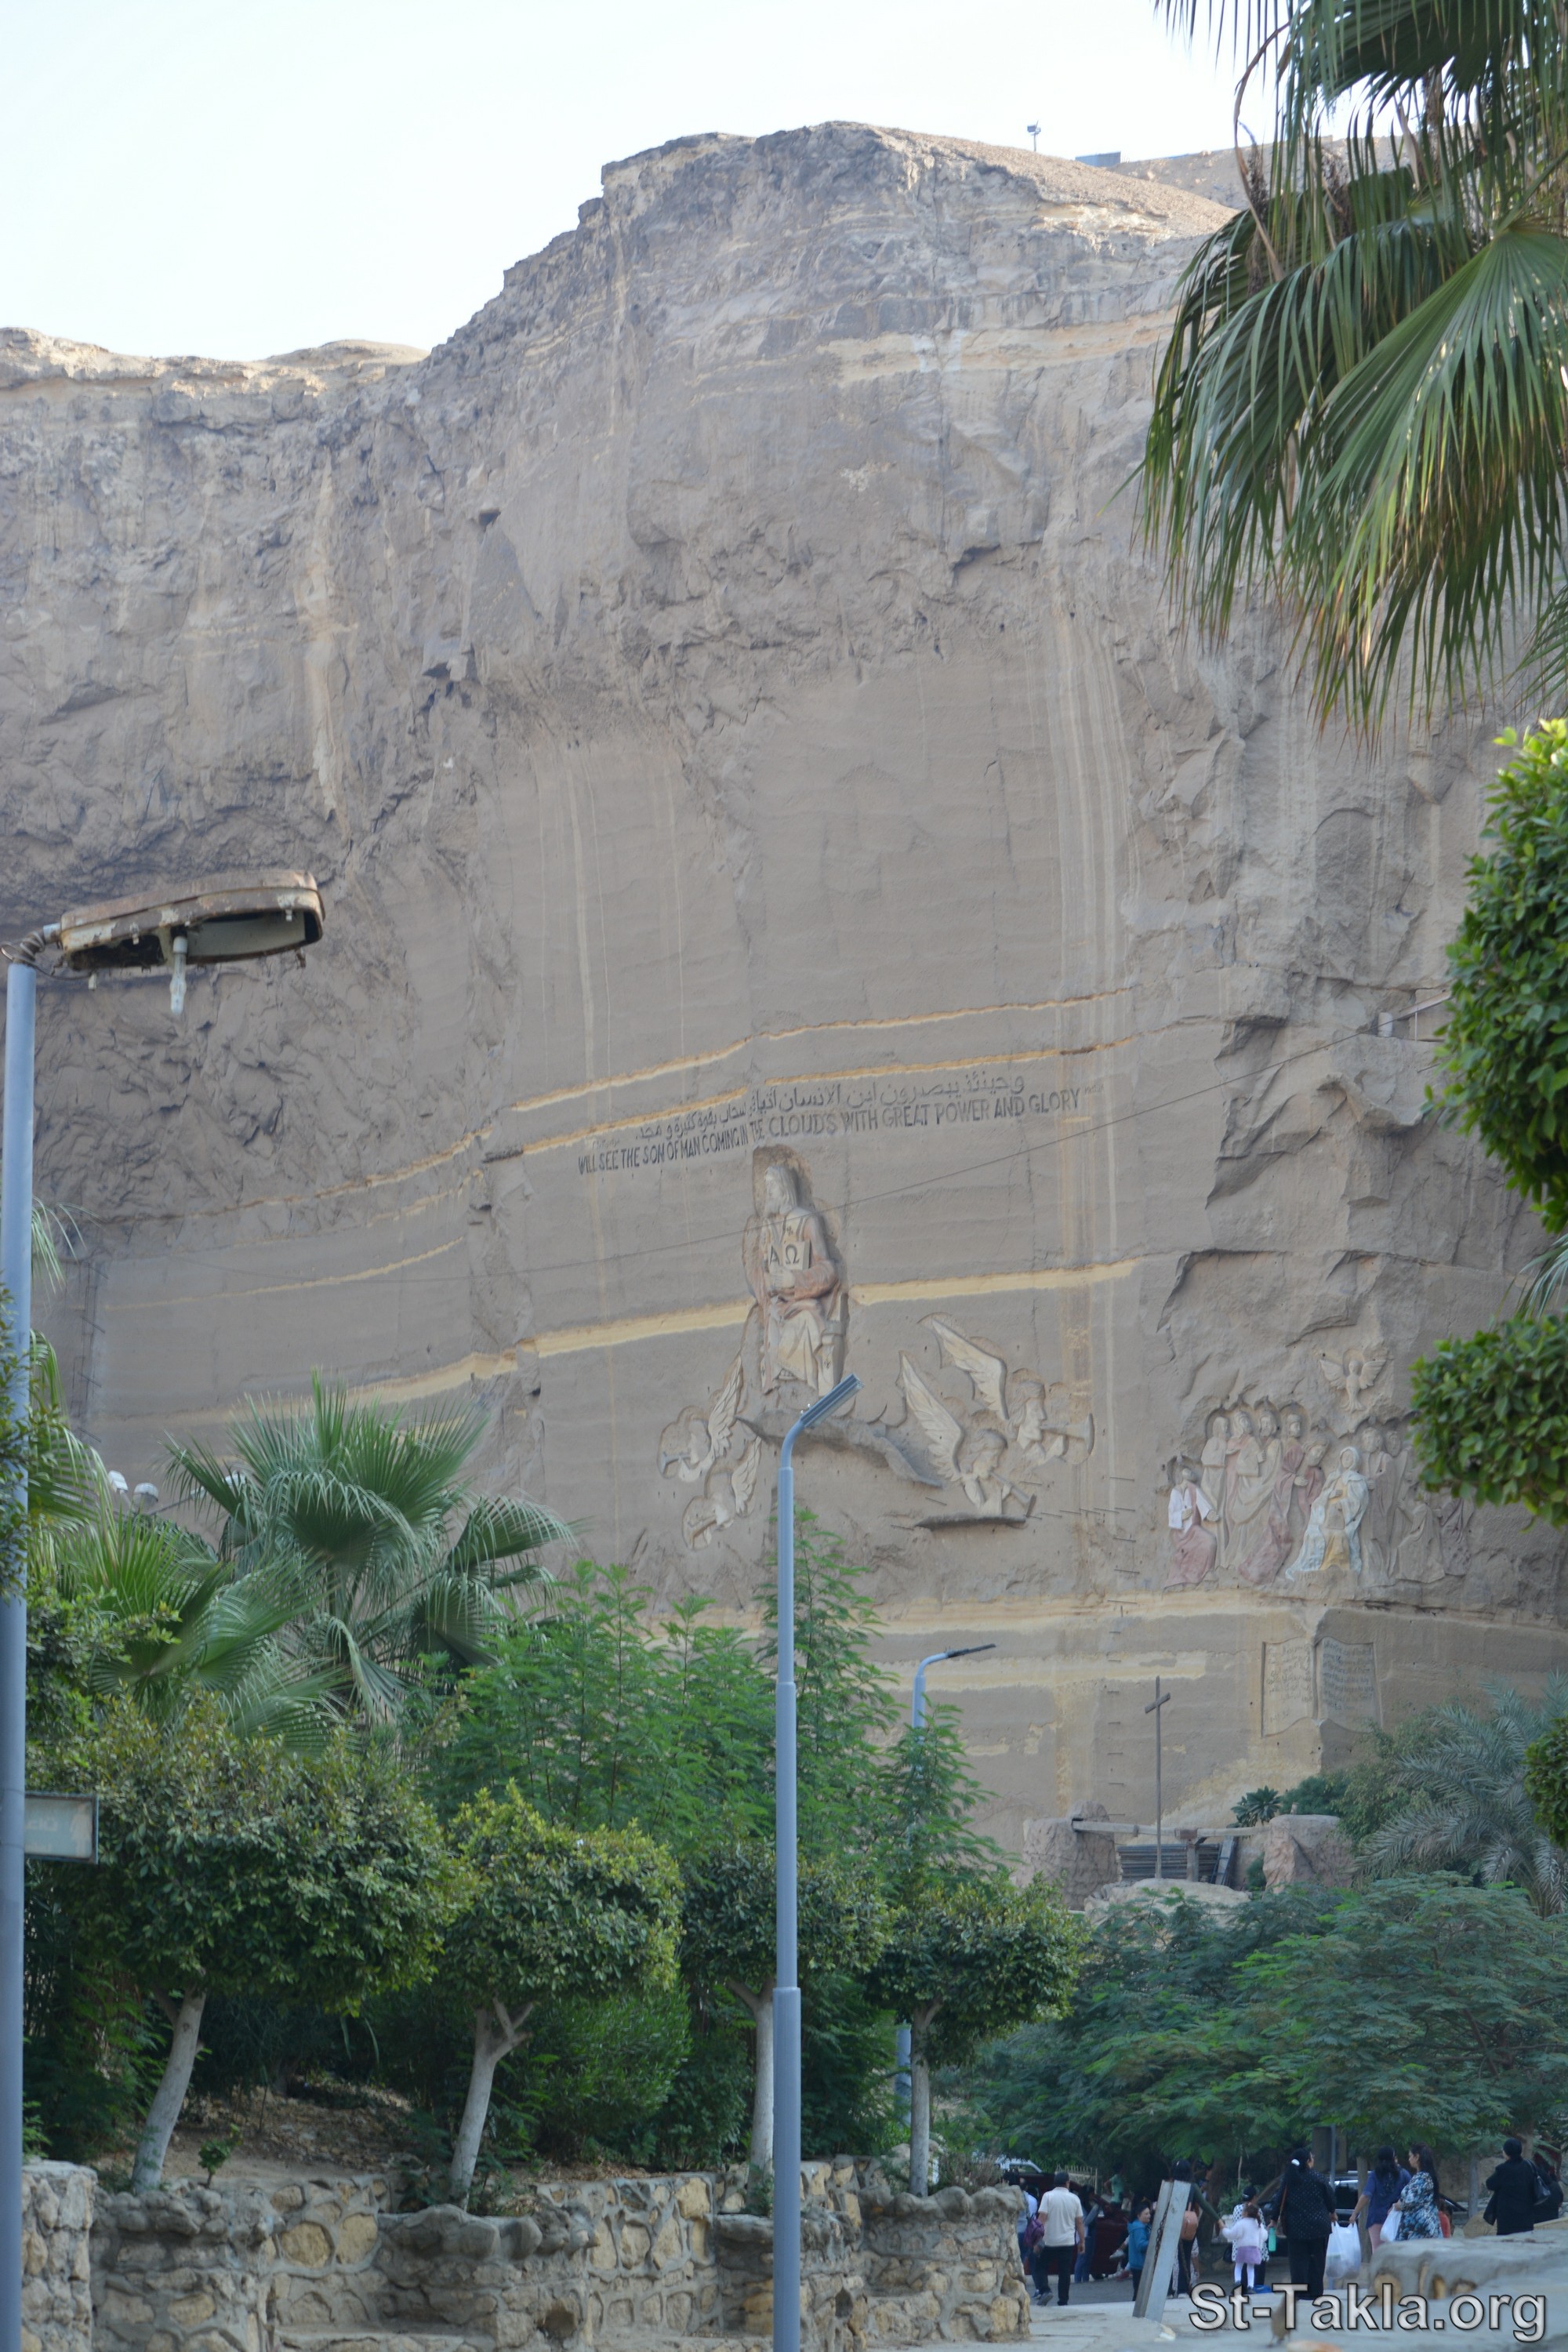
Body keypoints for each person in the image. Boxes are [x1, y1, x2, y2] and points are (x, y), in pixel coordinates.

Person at [1276, 2147, 1335, 2299]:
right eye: (1312, 2158)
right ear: (1308, 2161)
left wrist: (1273, 2219)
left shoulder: (1289, 2179)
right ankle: (1315, 2292)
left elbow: (1279, 2200)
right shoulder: (1318, 2177)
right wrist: (1332, 2211)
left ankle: (1300, 2292)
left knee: (1298, 2262)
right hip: (1319, 2227)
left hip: (1296, 2228)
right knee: (1317, 2260)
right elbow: (1330, 2198)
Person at [1036, 2169, 1086, 2307]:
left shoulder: (1048, 2196)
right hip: (1068, 2242)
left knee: (1040, 2266)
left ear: (1055, 2183)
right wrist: (1082, 2241)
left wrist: (1036, 2238)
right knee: (1064, 2272)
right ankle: (1063, 2300)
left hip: (1049, 2241)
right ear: (1068, 2183)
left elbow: (1042, 2218)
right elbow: (1079, 2222)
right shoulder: (1075, 2199)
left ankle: (1045, 2290)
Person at [1355, 2147, 1410, 2249]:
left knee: (1378, 2250)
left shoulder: (1375, 2174)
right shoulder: (1403, 2174)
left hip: (1377, 2217)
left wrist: (1355, 2213)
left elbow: (1366, 2195)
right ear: (1393, 2158)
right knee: (1397, 2251)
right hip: (1397, 2217)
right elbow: (1412, 2192)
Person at [1486, 2137, 1542, 2237]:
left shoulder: (1503, 2169)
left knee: (1507, 2243)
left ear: (1507, 2153)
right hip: (1526, 2217)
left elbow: (1490, 2184)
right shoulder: (1529, 2166)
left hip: (1507, 2219)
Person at [1393, 2147, 1443, 2240]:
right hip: (1423, 2225)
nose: (1409, 2159)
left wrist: (1398, 2206)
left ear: (1417, 2157)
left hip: (1418, 2227)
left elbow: (1410, 2201)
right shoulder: (1426, 2176)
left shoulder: (1422, 2178)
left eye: (1410, 2156)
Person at [1221, 2199, 1267, 2296]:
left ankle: (1237, 2281)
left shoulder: (1241, 2223)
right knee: (1251, 2268)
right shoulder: (1258, 2224)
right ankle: (1250, 2287)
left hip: (1242, 2249)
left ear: (1246, 2213)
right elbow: (1264, 2236)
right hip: (1254, 2249)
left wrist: (1224, 2229)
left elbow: (1231, 2234)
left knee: (1238, 2266)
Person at [1124, 2202, 1152, 2299]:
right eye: (1146, 2214)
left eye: (1149, 2213)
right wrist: (1153, 2242)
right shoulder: (1139, 2228)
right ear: (1139, 2215)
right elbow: (1140, 2245)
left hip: (1136, 2263)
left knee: (1138, 2290)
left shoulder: (1138, 2226)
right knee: (1140, 2291)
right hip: (1140, 2263)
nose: (1149, 2216)